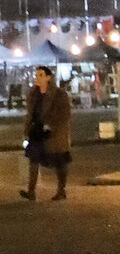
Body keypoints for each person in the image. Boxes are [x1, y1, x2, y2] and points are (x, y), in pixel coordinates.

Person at [19, 65, 73, 201]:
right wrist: (27, 130)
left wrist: (51, 125)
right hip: (36, 131)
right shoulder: (33, 94)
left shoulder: (58, 94)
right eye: (36, 75)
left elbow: (64, 114)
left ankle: (61, 190)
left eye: (41, 75)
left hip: (53, 133)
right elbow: (29, 113)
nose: (37, 78)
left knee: (59, 161)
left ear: (48, 77)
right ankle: (31, 191)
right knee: (33, 159)